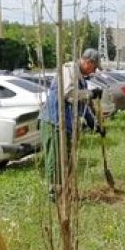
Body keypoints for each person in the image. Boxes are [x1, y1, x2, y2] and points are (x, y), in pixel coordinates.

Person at [40, 48, 103, 199]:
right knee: (56, 159)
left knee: (66, 159)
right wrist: (90, 94)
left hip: (66, 124)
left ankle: (64, 191)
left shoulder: (82, 80)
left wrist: (95, 124)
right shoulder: (69, 69)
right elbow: (68, 94)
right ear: (88, 62)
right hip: (54, 120)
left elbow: (83, 107)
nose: (93, 71)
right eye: (94, 67)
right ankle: (54, 193)